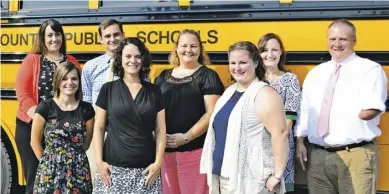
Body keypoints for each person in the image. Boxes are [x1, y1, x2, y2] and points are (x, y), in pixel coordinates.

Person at [295, 19, 387, 194]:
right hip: (318, 157)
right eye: (332, 39)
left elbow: (372, 107)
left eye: (343, 39)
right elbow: (305, 109)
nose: (337, 44)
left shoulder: (370, 70)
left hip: (355, 155)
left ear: (354, 41)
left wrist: (359, 111)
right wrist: (300, 140)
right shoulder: (316, 73)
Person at [200, 41, 289, 194]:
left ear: (255, 63)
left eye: (242, 62)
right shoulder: (229, 92)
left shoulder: (264, 94)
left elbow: (280, 134)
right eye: (233, 63)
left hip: (252, 183)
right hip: (222, 178)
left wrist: (277, 175)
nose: (237, 68)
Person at [155, 29, 224, 194]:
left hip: (195, 150)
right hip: (165, 152)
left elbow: (211, 114)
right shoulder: (162, 76)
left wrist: (185, 138)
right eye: (184, 45)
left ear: (200, 49)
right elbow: (154, 110)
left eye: (193, 46)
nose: (189, 50)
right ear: (176, 49)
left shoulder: (208, 76)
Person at [92, 37, 166, 193]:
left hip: (146, 172)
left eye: (138, 56)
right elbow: (98, 127)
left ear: (143, 59)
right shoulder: (108, 89)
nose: (133, 60)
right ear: (120, 59)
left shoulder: (154, 91)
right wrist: (99, 162)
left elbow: (160, 130)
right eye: (128, 56)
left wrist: (158, 163)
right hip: (112, 171)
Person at [15, 19, 80, 194]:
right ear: (42, 38)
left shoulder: (71, 62)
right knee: (37, 180)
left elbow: (78, 94)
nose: (54, 39)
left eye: (57, 34)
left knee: (62, 181)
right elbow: (23, 94)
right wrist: (40, 120)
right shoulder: (32, 60)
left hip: (62, 131)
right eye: (49, 35)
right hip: (31, 129)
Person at [30, 62, 94, 194]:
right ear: (57, 81)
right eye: (64, 78)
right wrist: (48, 162)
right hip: (50, 170)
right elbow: (35, 142)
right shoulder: (45, 107)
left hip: (78, 169)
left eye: (74, 78)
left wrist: (73, 158)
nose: (69, 82)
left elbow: (87, 142)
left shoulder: (87, 109)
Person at [258, 33, 301, 193]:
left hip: (281, 148)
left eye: (274, 49)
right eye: (265, 50)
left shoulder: (290, 80)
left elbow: (289, 120)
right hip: (256, 150)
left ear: (281, 52)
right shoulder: (254, 81)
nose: (270, 54)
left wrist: (276, 139)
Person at [81, 19, 125, 105]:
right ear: (100, 39)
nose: (112, 39)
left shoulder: (133, 65)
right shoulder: (90, 66)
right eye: (107, 36)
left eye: (116, 34)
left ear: (123, 35)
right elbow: (87, 100)